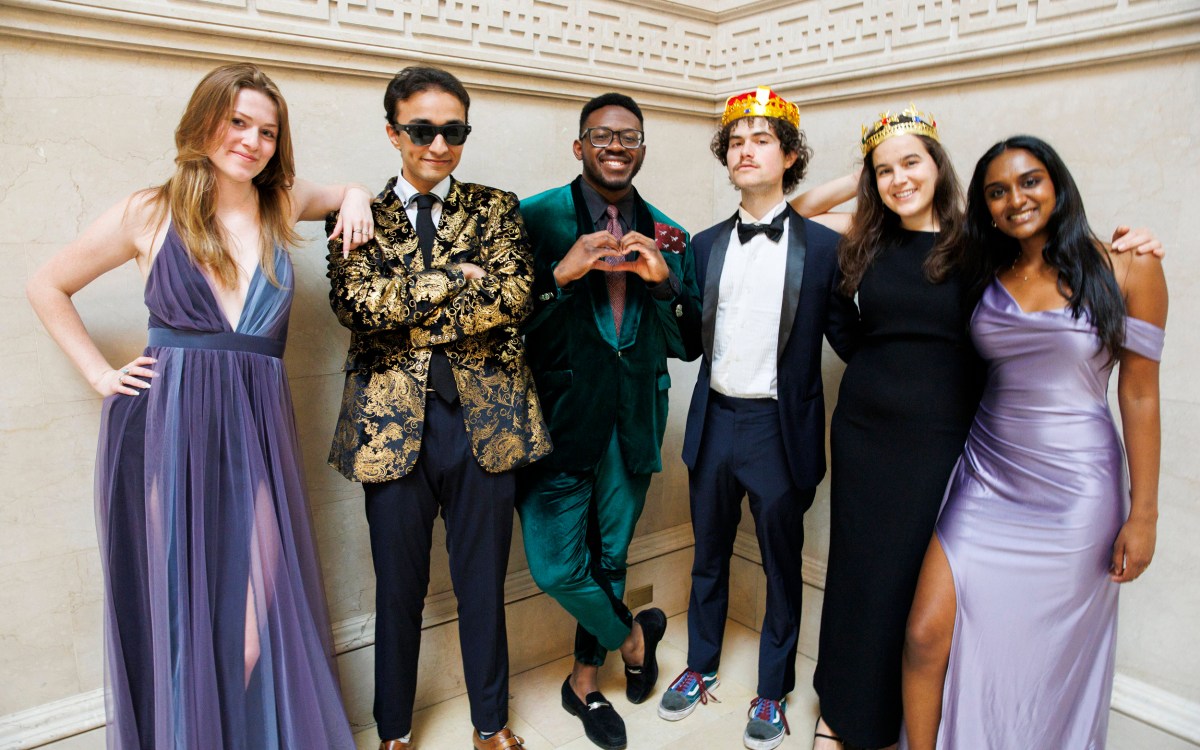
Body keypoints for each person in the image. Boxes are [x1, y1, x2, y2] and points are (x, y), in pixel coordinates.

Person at [790, 108, 1163, 750]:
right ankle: (845, 715)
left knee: (928, 597)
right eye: (887, 169)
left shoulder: (978, 248)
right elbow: (792, 217)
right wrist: (870, 172)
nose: (900, 178)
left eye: (914, 162)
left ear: (941, 167)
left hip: (974, 447)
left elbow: (1124, 376)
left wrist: (1131, 242)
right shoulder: (875, 238)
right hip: (887, 436)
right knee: (874, 586)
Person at [25, 62, 372, 749]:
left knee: (253, 619)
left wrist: (355, 197)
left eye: (267, 131)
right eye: (237, 121)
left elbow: (344, 191)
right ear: (203, 122)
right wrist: (100, 375)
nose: (252, 141)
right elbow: (46, 285)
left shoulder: (281, 202)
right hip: (167, 429)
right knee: (182, 613)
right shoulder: (147, 212)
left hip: (259, 433)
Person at [900, 135, 1167, 750]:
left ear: (1057, 184)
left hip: (1077, 494)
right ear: (984, 207)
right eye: (997, 191)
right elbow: (823, 213)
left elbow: (1142, 394)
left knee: (1044, 658)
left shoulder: (1129, 266)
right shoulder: (980, 268)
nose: (1015, 199)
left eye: (1029, 181)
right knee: (924, 634)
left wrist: (1143, 513)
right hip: (988, 475)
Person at [325, 66, 550, 750]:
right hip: (390, 428)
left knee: (483, 584)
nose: (439, 145)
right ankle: (393, 730)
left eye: (454, 131)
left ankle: (491, 723)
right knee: (398, 590)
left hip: (487, 424)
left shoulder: (497, 207)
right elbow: (356, 307)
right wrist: (455, 278)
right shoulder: (361, 215)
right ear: (394, 131)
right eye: (423, 130)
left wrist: (408, 304)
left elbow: (514, 300)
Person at [656, 86, 858, 750]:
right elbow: (687, 341)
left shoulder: (823, 249)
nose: (745, 151)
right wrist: (660, 285)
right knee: (707, 557)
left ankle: (773, 690)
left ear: (789, 155)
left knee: (780, 563)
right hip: (713, 422)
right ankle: (698, 665)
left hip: (780, 430)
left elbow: (853, 341)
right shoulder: (705, 244)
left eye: (761, 140)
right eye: (735, 142)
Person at [516, 92, 702, 750]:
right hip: (557, 426)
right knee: (557, 569)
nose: (617, 146)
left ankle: (584, 682)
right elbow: (501, 328)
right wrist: (559, 279)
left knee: (612, 558)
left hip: (633, 425)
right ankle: (634, 635)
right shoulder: (533, 219)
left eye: (630, 137)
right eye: (602, 135)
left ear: (643, 149)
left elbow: (688, 343)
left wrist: (662, 286)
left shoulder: (670, 232)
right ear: (580, 147)